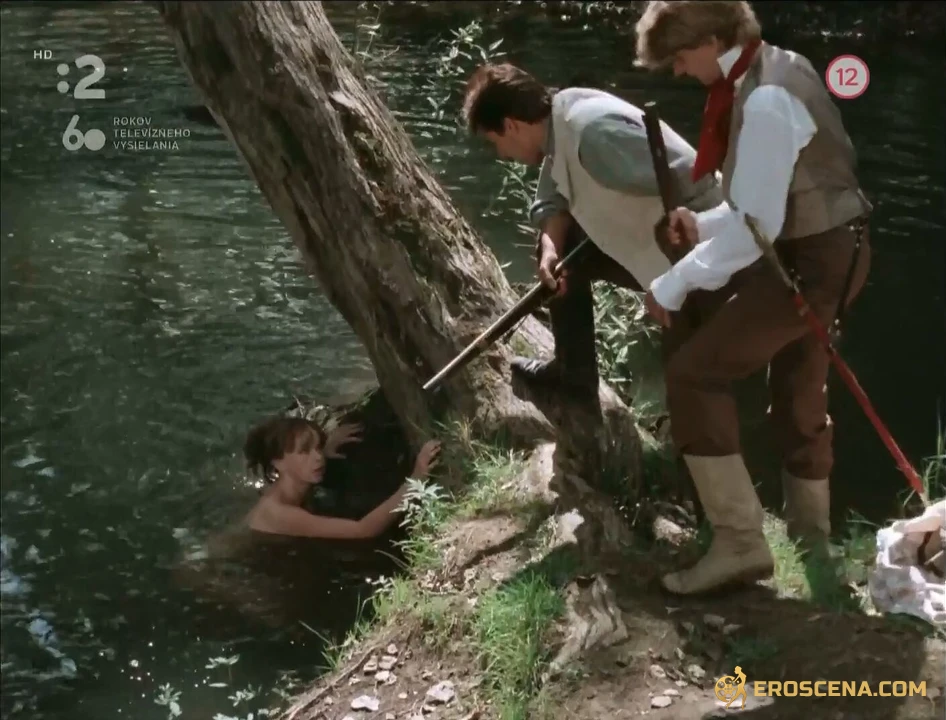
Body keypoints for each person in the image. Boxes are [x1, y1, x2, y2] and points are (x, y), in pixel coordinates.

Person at [633, 1, 872, 595]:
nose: (680, 71)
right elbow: (760, 207)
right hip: (829, 250)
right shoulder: (779, 65)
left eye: (680, 58)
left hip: (812, 264)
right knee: (798, 390)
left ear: (712, 40)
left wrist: (673, 282)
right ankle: (813, 545)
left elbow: (757, 229)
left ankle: (740, 544)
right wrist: (702, 223)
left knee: (695, 374)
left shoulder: (763, 100)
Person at [461, 62, 727, 397]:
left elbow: (695, 178)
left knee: (692, 379)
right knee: (563, 248)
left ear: (510, 125)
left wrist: (685, 269)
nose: (501, 154)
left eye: (495, 142)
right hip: (661, 253)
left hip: (703, 256)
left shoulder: (592, 136)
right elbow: (551, 201)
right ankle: (573, 375)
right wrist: (551, 249)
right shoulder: (557, 126)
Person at [242, 415, 441, 540]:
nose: (318, 457)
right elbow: (363, 530)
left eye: (318, 447)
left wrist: (327, 446)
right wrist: (415, 480)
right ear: (277, 462)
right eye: (304, 451)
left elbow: (308, 460)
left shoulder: (294, 482)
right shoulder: (280, 514)